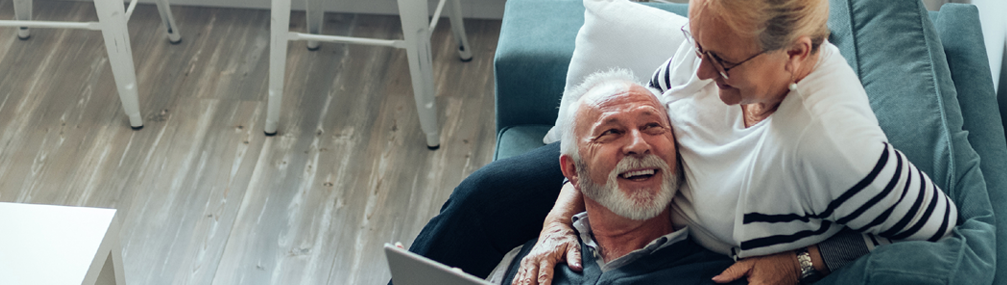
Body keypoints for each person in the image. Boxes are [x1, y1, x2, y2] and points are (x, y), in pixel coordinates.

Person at [408, 0, 975, 284]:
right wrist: (562, 213)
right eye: (696, 44)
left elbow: (939, 231)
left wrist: (802, 261)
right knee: (485, 196)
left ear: (795, 56)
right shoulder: (711, 41)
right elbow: (656, 101)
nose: (699, 71)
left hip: (691, 246)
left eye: (721, 61)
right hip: (644, 168)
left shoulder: (832, 145)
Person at [486, 70, 734, 285]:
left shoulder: (721, 276)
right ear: (573, 171)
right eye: (612, 131)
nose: (639, 145)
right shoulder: (532, 261)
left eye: (652, 126)